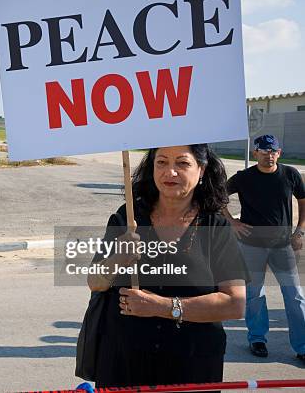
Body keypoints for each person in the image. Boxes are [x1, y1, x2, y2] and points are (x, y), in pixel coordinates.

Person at [87, 144, 247, 390]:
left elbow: (234, 303)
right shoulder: (127, 217)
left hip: (192, 364)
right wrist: (117, 258)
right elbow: (95, 282)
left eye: (182, 163)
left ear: (201, 170)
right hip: (124, 362)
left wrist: (162, 307)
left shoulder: (216, 227)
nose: (170, 172)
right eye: (161, 162)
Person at [223, 134, 305, 363]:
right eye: (264, 151)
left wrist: (299, 231)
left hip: (282, 246)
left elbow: (303, 200)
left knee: (295, 296)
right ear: (255, 153)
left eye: (273, 151)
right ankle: (257, 339)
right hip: (251, 246)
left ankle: (302, 345)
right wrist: (233, 222)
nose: (269, 155)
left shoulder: (290, 174)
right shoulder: (243, 178)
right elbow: (218, 196)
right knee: (254, 295)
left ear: (279, 153)